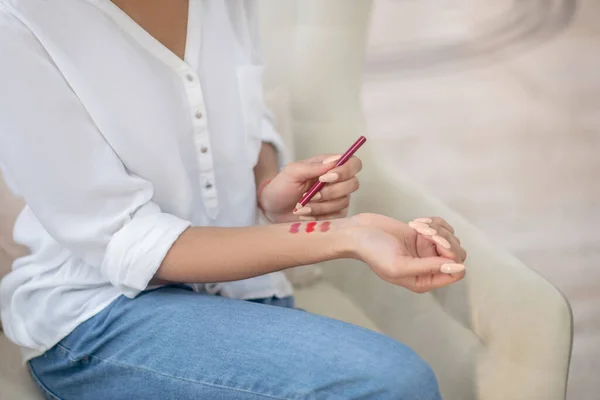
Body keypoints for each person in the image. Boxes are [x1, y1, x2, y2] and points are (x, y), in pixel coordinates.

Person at [0, 1, 467, 398]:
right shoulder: (19, 24)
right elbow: (131, 243)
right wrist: (345, 235)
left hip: (242, 292)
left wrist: (269, 190)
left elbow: (246, 116)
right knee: (391, 383)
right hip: (101, 315)